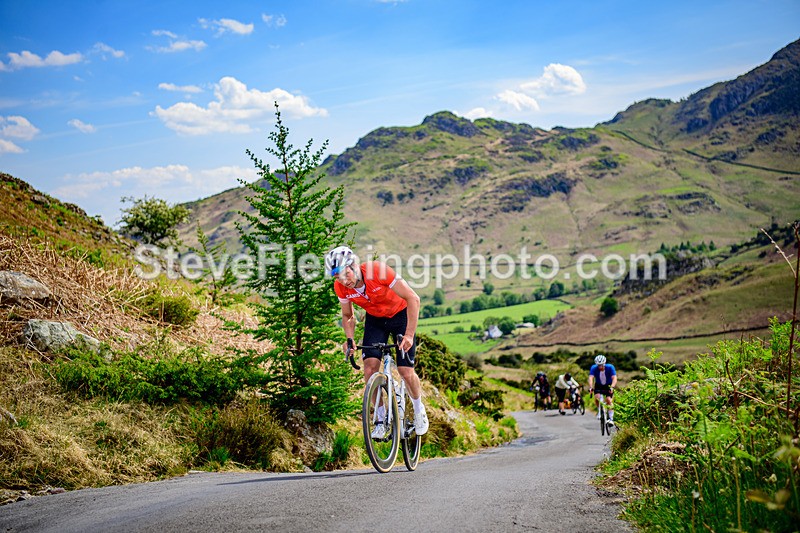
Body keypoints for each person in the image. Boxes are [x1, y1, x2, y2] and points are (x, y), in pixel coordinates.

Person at [325, 245, 429, 438]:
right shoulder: (341, 287)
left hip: (401, 315)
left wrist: (409, 335)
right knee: (370, 369)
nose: (344, 281)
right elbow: (348, 315)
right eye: (338, 277)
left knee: (405, 371)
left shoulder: (377, 271)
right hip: (376, 320)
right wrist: (349, 339)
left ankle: (418, 409)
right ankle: (380, 419)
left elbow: (413, 298)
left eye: (346, 274)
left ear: (354, 265)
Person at [588, 355, 617, 421]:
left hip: (608, 385)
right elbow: (591, 377)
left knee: (609, 400)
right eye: (598, 365)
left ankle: (611, 418)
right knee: (597, 398)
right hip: (599, 385)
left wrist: (612, 387)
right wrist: (591, 387)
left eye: (601, 365)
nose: (600, 367)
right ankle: (599, 410)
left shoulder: (610, 367)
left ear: (604, 364)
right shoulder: (594, 368)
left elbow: (614, 378)